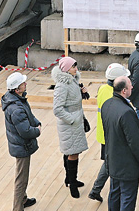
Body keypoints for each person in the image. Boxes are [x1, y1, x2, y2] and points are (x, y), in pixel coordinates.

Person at [101, 76, 139, 211]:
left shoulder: (107, 104)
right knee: (128, 197)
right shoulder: (126, 112)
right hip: (127, 165)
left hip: (113, 161)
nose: (132, 87)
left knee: (114, 194)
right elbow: (134, 141)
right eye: (129, 86)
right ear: (123, 91)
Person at [89, 63, 131, 203]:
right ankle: (96, 190)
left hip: (103, 133)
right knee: (109, 164)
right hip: (110, 136)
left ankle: (96, 190)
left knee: (108, 163)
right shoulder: (112, 94)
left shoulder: (102, 89)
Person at [2, 72, 40, 211]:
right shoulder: (16, 108)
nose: (26, 84)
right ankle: (18, 207)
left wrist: (36, 123)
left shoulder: (17, 100)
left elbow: (29, 116)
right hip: (22, 146)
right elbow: (25, 131)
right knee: (21, 179)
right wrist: (38, 131)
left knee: (22, 175)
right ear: (17, 89)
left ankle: (23, 199)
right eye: (23, 83)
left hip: (20, 144)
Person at [52, 56, 89, 198]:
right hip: (70, 124)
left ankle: (69, 178)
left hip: (75, 121)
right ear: (67, 69)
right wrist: (72, 120)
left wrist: (81, 93)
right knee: (73, 152)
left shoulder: (72, 80)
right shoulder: (62, 85)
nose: (76, 69)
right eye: (74, 66)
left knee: (70, 151)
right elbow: (57, 109)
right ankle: (72, 184)